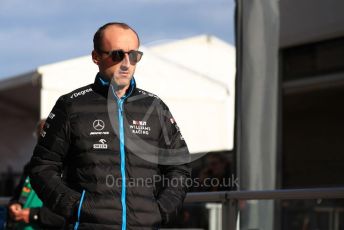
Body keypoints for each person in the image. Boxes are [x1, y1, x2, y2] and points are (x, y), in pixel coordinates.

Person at [29, 22, 191, 230]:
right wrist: (76, 208)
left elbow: (179, 167)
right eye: (117, 55)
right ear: (96, 57)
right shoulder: (70, 105)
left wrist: (162, 210)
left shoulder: (155, 107)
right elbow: (42, 167)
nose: (126, 63)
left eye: (134, 55)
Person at [7, 120, 65, 229]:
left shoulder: (69, 170)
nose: (43, 141)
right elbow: (18, 196)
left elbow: (70, 213)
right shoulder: (30, 167)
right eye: (40, 136)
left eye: (47, 136)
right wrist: (14, 205)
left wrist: (34, 214)